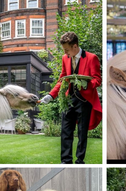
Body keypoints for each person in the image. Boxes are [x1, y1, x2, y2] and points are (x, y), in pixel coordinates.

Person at [39, 32, 102, 164]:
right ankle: (66, 160)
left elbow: (97, 79)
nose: (66, 52)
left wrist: (86, 83)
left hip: (85, 101)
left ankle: (80, 160)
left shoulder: (92, 58)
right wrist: (51, 95)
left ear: (75, 46)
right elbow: (62, 80)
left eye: (67, 49)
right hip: (68, 100)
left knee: (82, 133)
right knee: (65, 131)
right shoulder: (65, 58)